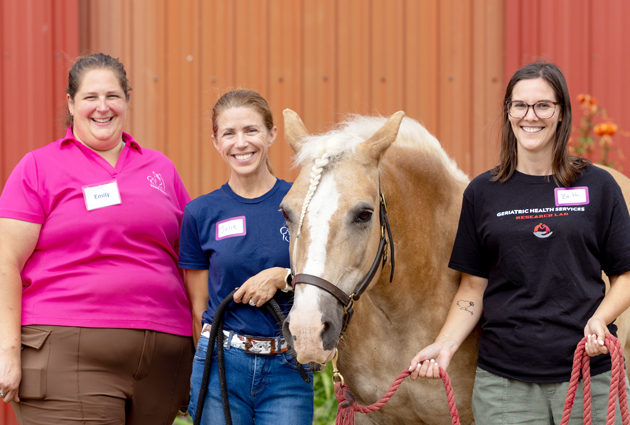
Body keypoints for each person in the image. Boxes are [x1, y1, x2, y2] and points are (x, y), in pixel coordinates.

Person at [409, 61, 630, 423]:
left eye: (543, 105)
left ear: (561, 114)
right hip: (504, 387)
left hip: (589, 375)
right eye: (520, 105)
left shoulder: (597, 187)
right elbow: (473, 287)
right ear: (509, 112)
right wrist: (445, 344)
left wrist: (600, 319)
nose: (531, 116)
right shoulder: (483, 193)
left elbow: (625, 276)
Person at [0, 53, 193, 424]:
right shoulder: (39, 167)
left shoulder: (160, 168)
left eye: (113, 96)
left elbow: (190, 260)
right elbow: (6, 261)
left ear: (126, 101)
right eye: (90, 97)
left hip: (162, 362)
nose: (102, 107)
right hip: (68, 352)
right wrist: (7, 352)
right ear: (71, 103)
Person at [179, 89, 313, 424]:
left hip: (287, 369)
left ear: (271, 135)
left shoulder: (300, 202)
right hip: (222, 364)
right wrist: (206, 367)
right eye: (229, 133)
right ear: (216, 141)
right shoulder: (200, 213)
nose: (241, 143)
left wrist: (282, 276)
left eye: (251, 130)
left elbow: (326, 276)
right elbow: (199, 308)